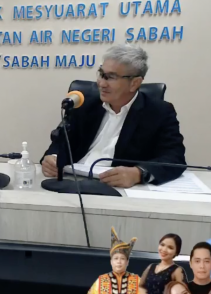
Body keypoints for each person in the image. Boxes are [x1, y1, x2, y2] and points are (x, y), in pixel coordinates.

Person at [40, 44, 186, 188]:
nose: (102, 84)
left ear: (134, 83)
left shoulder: (158, 112)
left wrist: (138, 173)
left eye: (111, 77)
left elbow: (175, 158)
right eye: (101, 74)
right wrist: (53, 158)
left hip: (115, 188)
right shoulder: (84, 105)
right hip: (71, 181)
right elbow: (60, 142)